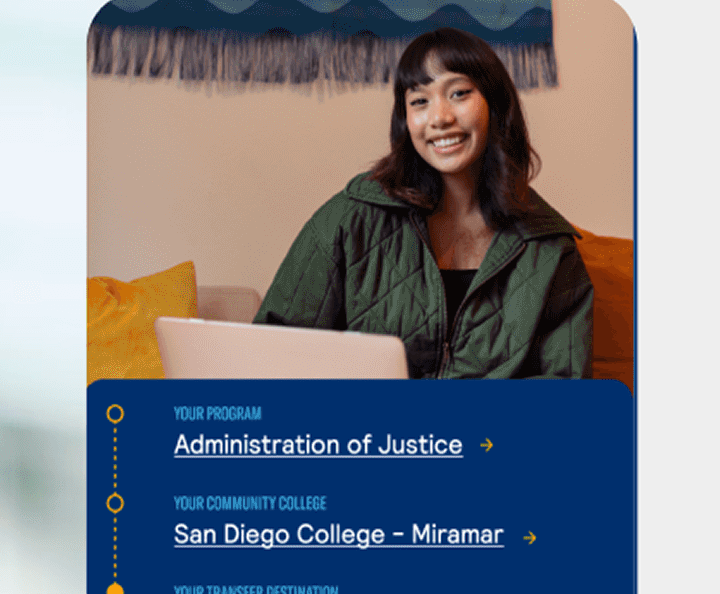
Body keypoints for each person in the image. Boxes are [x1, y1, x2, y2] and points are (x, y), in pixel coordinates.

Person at [254, 30, 594, 380]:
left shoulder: (550, 248)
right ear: (405, 120)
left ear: (495, 103)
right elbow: (270, 356)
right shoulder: (348, 220)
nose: (439, 118)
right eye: (419, 101)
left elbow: (567, 393)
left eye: (459, 93)